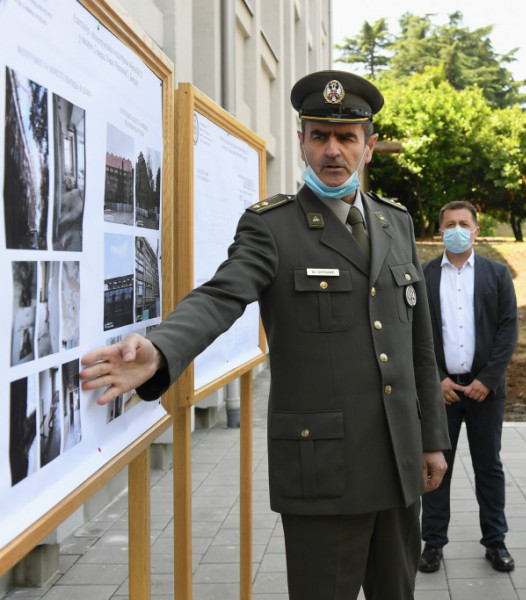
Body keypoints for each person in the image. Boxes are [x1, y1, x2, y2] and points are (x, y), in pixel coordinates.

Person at [79, 70, 451, 600]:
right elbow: (222, 294)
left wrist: (432, 440)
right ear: (301, 142)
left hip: (399, 463)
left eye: (346, 137)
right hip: (324, 470)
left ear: (368, 147)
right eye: (319, 136)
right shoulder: (272, 227)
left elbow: (420, 346)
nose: (332, 150)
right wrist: (162, 348)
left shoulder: (397, 223)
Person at [418, 200, 519, 573]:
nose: (457, 230)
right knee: (435, 467)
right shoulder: (424, 275)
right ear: (439, 232)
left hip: (485, 392)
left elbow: (508, 329)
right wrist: (436, 380)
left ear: (476, 230)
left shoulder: (497, 273)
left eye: (464, 223)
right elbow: (415, 335)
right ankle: (433, 543)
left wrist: (487, 380)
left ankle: (496, 541)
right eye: (450, 224)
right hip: (440, 392)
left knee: (488, 467)